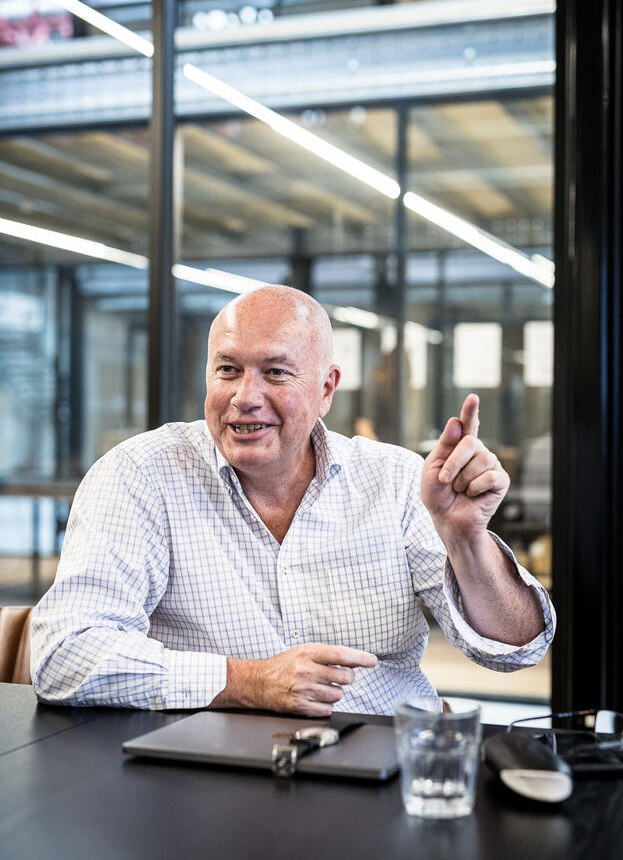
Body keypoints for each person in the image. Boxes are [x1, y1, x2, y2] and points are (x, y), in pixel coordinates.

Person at [31, 286, 554, 716]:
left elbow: (516, 649)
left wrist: (468, 541)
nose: (245, 397)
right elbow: (63, 654)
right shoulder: (140, 474)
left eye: (276, 372)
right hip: (204, 768)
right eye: (227, 370)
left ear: (326, 390)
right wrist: (247, 681)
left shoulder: (396, 482)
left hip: (380, 761)